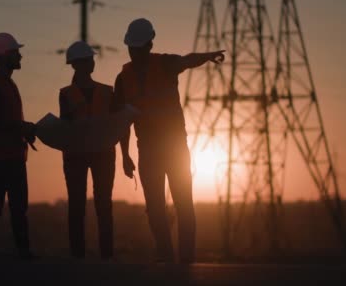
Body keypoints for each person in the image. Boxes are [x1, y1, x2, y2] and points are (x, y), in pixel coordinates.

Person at [114, 18, 224, 264]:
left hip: (175, 149)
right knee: (155, 209)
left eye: (138, 47)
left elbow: (187, 60)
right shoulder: (123, 78)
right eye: (131, 48)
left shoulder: (164, 64)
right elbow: (122, 122)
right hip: (148, 150)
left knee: (184, 204)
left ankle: (185, 261)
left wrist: (207, 56)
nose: (134, 53)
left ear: (149, 45)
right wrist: (125, 155)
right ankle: (166, 257)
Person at [58, 41, 121, 260]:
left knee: (103, 204)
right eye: (89, 59)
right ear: (78, 65)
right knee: (78, 204)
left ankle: (106, 255)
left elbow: (116, 125)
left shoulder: (106, 92)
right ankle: (78, 255)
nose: (93, 62)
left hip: (102, 153)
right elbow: (65, 126)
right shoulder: (66, 94)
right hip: (77, 155)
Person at [0, 32, 37, 260]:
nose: (20, 56)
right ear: (3, 56)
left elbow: (7, 120)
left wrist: (24, 131)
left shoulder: (9, 85)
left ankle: (22, 250)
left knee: (18, 205)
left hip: (13, 154)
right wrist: (22, 128)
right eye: (16, 53)